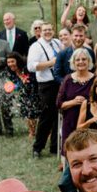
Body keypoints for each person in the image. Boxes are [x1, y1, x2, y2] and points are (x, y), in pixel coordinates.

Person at [28, 23, 63, 157]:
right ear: (40, 32)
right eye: (45, 30)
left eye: (50, 29)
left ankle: (54, 147)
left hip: (59, 83)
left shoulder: (57, 43)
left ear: (53, 31)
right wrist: (51, 63)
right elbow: (31, 66)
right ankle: (37, 147)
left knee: (57, 115)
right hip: (46, 85)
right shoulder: (36, 46)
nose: (48, 32)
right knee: (46, 116)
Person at [57, 47, 95, 156]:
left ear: (89, 61)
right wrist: (73, 102)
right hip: (70, 122)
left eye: (84, 59)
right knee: (71, 153)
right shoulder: (67, 80)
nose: (81, 62)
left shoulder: (96, 79)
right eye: (77, 60)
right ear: (73, 62)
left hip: (89, 123)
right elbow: (59, 104)